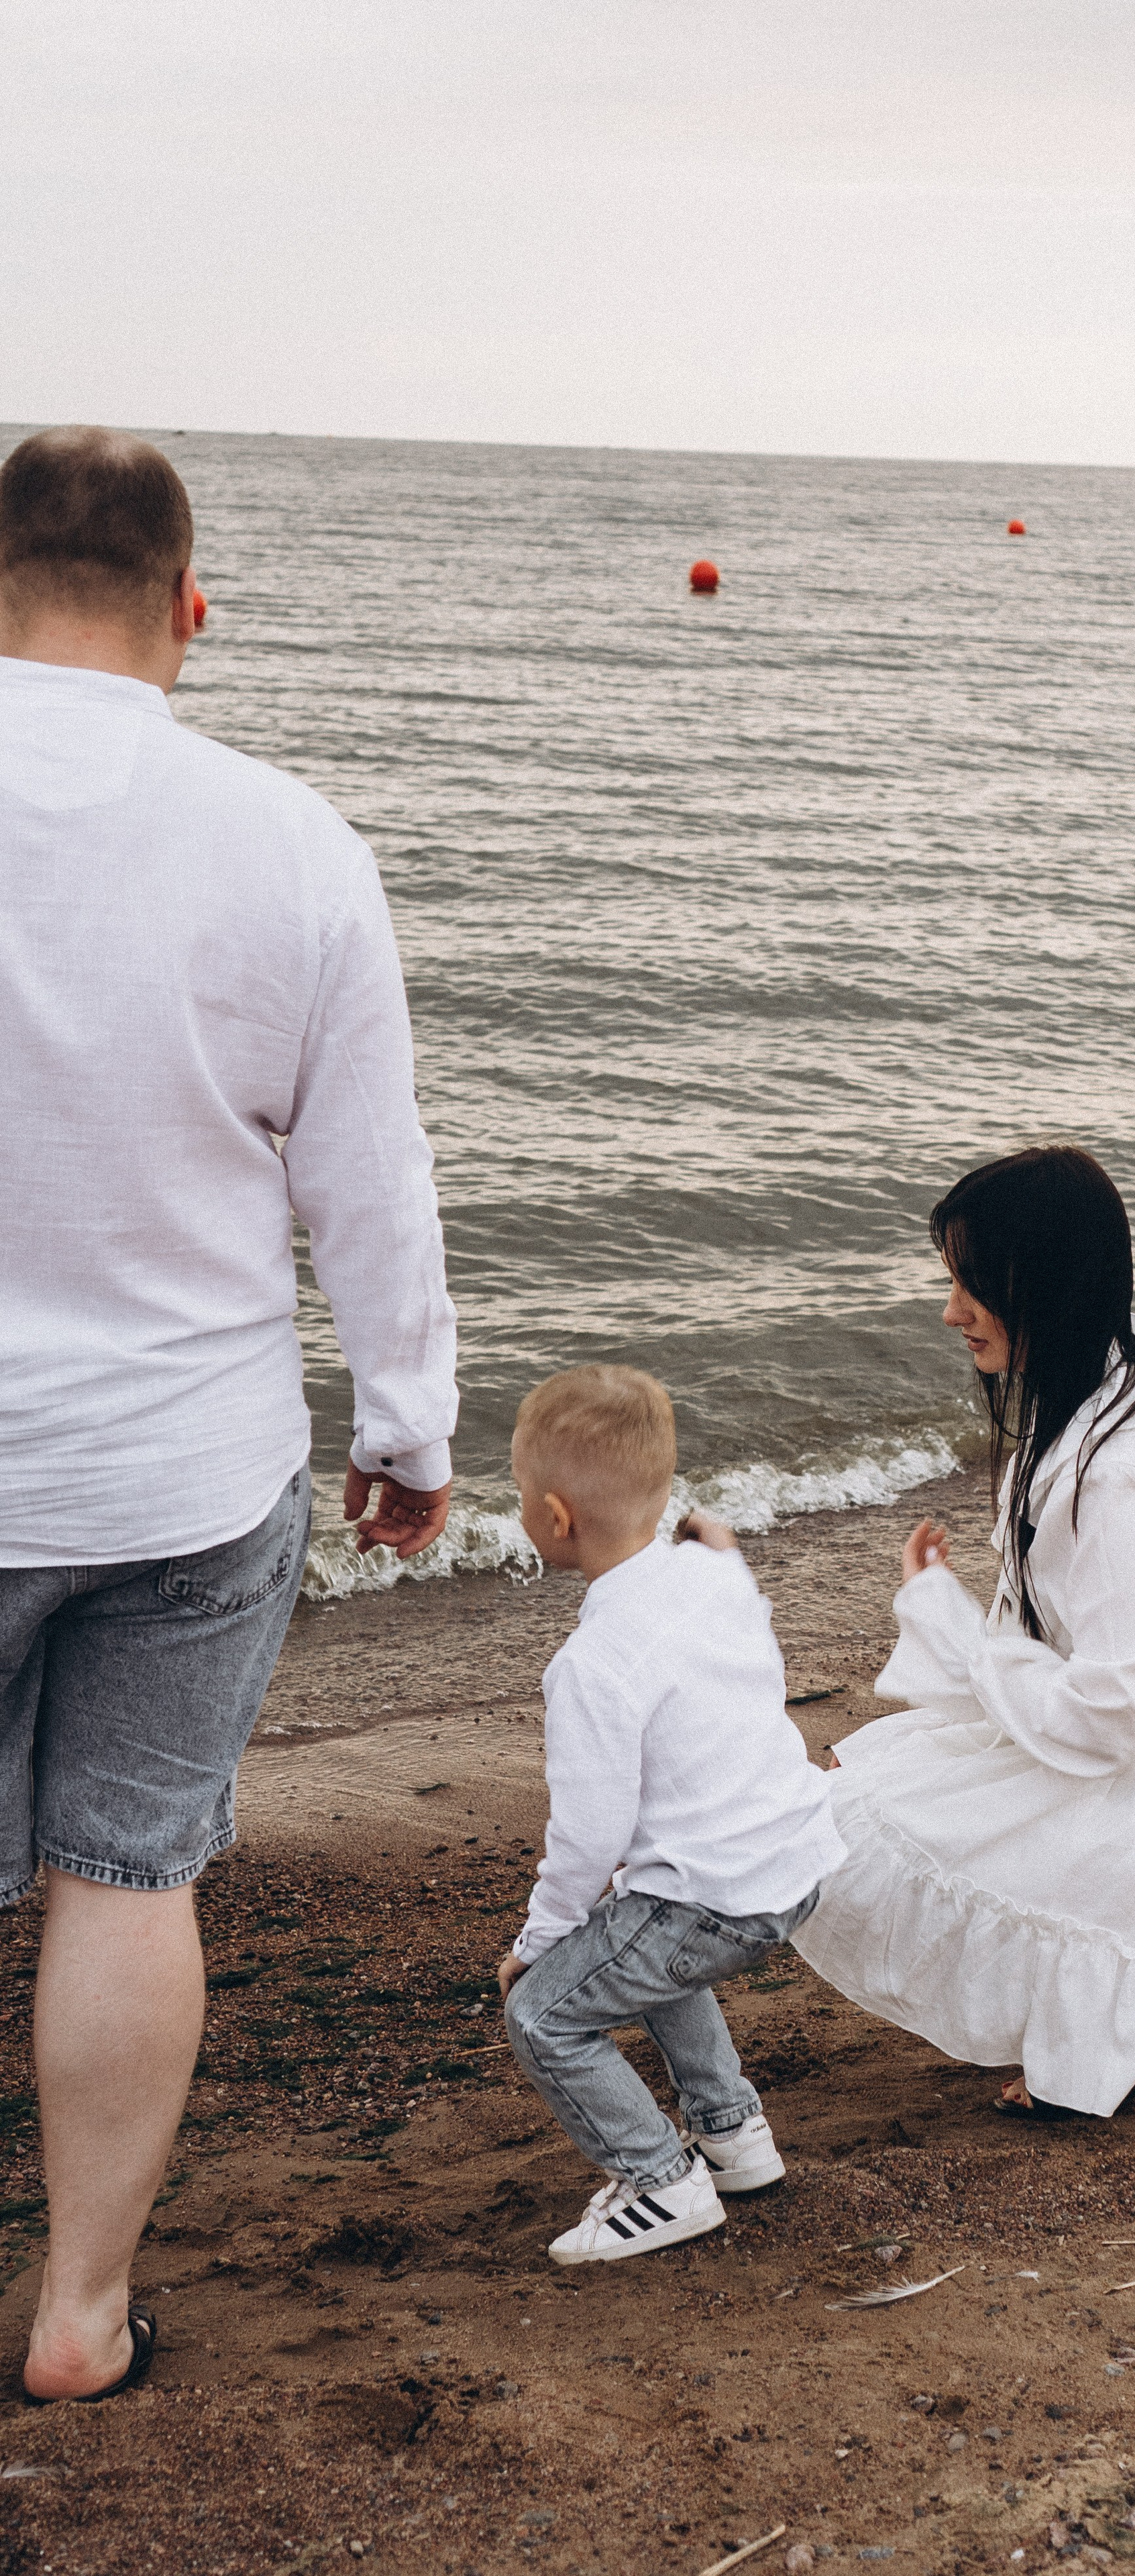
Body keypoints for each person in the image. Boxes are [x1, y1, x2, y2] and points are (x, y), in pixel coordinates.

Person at [0, 427, 459, 2400]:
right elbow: (371, 1176)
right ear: (193, 608)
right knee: (127, 1873)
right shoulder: (290, 845)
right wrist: (414, 1430)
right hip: (182, 1471)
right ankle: (83, 2314)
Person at [794, 1144, 1135, 2119]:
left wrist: (959, 1638)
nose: (951, 1313)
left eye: (972, 1287)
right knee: (874, 1786)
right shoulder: (1121, 1379)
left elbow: (1115, 1714)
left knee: (858, 1821)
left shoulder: (1117, 1467)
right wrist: (960, 1632)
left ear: (1042, 1285)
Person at [500, 1364, 845, 2263]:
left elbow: (589, 1835)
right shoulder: (712, 1577)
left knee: (544, 2014)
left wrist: (537, 1947)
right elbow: (740, 1591)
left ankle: (661, 2182)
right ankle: (733, 2138)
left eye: (520, 1497)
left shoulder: (593, 1663)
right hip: (793, 1866)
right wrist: (719, 1546)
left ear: (557, 1519)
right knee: (642, 1934)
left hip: (715, 1900)